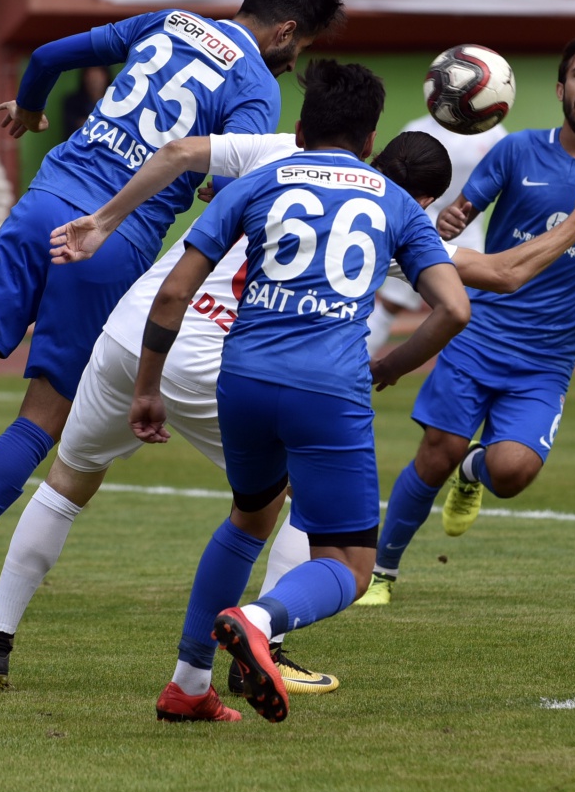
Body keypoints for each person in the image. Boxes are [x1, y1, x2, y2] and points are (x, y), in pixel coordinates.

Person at [0, 120, 575, 694]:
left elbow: (178, 154)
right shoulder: (394, 216)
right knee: (303, 509)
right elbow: (497, 277)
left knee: (66, 486)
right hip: (233, 359)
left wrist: (110, 221)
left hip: (132, 333)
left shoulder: (273, 160)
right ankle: (266, 643)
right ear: (423, 196)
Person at [0, 0, 344, 639]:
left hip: (43, 203)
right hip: (112, 238)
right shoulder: (255, 88)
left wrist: (26, 108)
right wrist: (207, 193)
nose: (296, 58)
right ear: (285, 30)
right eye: (302, 45)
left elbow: (47, 56)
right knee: (43, 418)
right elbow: (231, 197)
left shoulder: (168, 20)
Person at [135, 60, 469, 723]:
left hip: (245, 379)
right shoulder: (393, 199)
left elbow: (176, 290)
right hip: (328, 389)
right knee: (350, 565)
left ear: (299, 127)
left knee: (250, 516)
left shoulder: (258, 181)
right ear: (371, 141)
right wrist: (392, 366)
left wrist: (148, 386)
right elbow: (454, 309)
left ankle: (188, 687)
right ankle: (259, 621)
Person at [351, 34, 575, 608]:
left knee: (512, 472)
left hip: (547, 356)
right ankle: (382, 572)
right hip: (480, 331)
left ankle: (474, 470)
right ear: (561, 88)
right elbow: (466, 207)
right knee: (432, 453)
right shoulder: (516, 151)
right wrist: (452, 218)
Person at [365, 114, 508, 357]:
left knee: (473, 311)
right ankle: (361, 361)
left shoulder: (495, 135)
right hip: (414, 228)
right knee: (391, 305)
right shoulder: (416, 127)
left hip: (467, 234)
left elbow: (502, 179)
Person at [63, 66, 111, 135]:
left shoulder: (116, 103)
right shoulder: (72, 103)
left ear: (106, 77)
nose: (94, 80)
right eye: (90, 76)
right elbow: (72, 126)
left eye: (98, 76)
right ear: (84, 78)